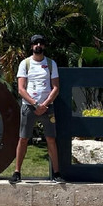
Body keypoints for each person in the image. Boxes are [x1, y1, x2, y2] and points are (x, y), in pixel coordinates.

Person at [11, 34, 63, 184]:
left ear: (44, 46)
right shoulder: (25, 63)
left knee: (51, 139)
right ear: (31, 46)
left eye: (40, 43)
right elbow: (21, 89)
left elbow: (56, 88)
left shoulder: (51, 64)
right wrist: (35, 104)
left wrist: (45, 104)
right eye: (35, 43)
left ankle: (57, 173)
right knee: (23, 138)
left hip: (48, 107)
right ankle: (17, 172)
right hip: (29, 107)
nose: (38, 45)